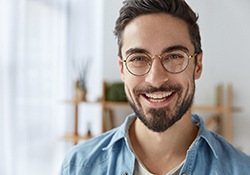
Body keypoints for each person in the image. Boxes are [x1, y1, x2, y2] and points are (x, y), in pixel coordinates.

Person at [60, 0, 250, 174]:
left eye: (174, 56)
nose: (156, 79)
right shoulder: (79, 166)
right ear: (122, 69)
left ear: (198, 65)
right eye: (138, 59)